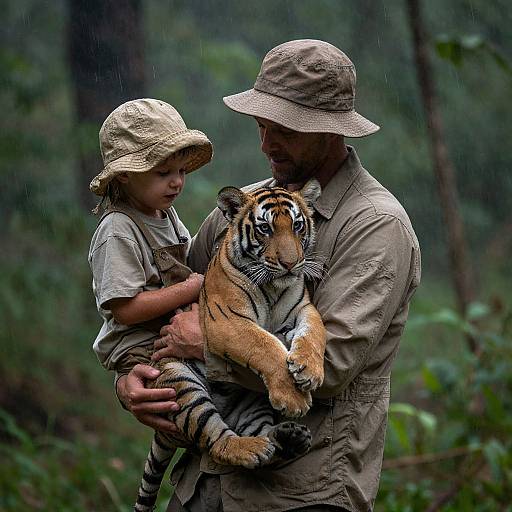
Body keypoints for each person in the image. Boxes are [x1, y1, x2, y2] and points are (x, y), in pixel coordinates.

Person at [117, 40, 421, 511]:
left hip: (301, 492)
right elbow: (166, 301)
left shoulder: (376, 224)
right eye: (261, 126)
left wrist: (210, 346)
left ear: (330, 130)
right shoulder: (245, 206)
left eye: (284, 130)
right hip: (202, 483)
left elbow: (331, 366)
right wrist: (129, 378)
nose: (266, 143)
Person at [88, 98, 213, 400]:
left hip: (167, 333)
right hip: (140, 348)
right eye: (163, 173)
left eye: (182, 171)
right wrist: (192, 288)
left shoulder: (164, 212)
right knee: (191, 402)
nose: (177, 182)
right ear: (125, 175)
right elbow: (126, 310)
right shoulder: (118, 229)